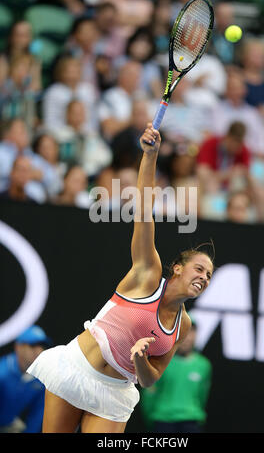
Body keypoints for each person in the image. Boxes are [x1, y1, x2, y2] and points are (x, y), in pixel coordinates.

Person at [27, 123, 214, 433]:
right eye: (199, 269)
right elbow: (143, 209)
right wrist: (150, 156)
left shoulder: (184, 324)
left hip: (115, 394)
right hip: (76, 369)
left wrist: (140, 358)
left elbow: (151, 377)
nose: (204, 277)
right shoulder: (147, 274)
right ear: (178, 268)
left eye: (208, 275)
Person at [140, 318, 212, 433]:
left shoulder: (204, 365)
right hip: (163, 421)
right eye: (184, 331)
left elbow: (202, 395)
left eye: (191, 331)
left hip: (191, 422)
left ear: (196, 335)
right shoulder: (161, 360)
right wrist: (153, 418)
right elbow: (149, 394)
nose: (187, 337)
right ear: (176, 334)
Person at [0, 325, 52, 433]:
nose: (39, 351)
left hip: (9, 425)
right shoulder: (2, 373)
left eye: (42, 346)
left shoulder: (41, 380)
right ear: (18, 347)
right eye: (33, 345)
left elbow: (36, 416)